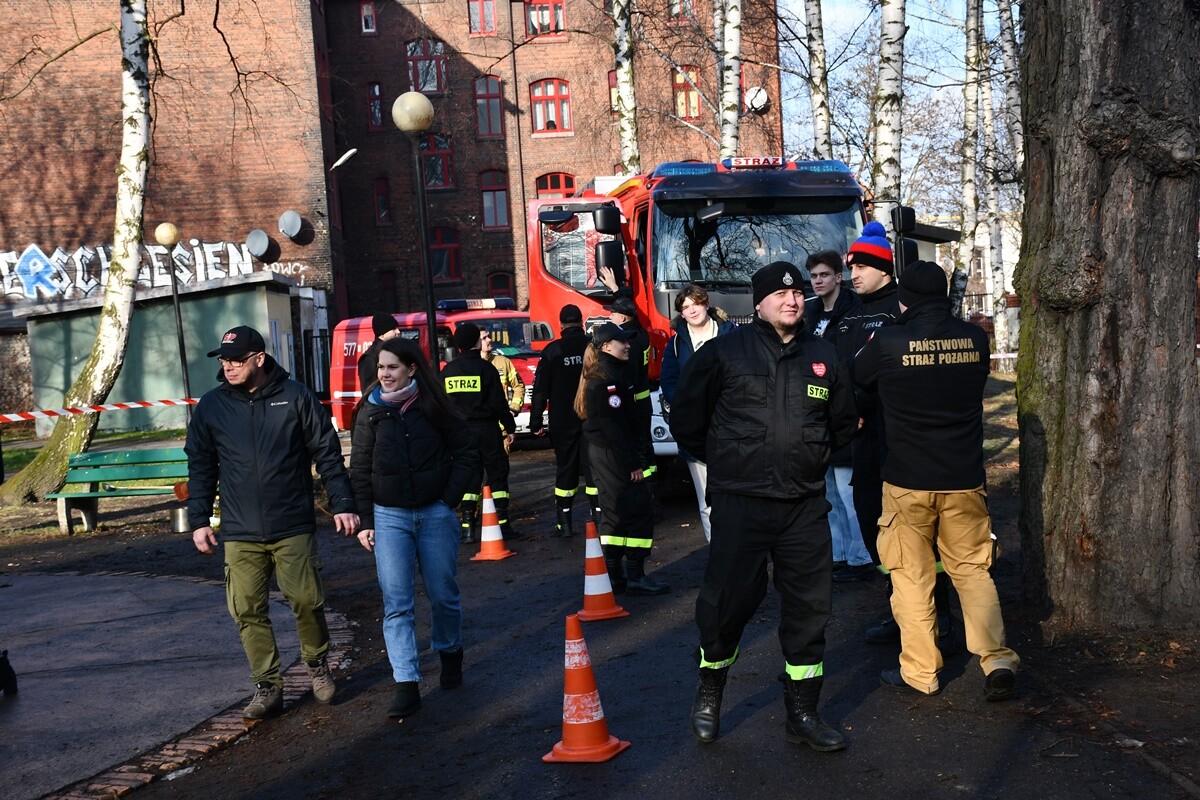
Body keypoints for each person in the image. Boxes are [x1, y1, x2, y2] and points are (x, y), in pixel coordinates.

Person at [670, 262, 858, 751]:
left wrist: (807, 459)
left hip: (802, 506)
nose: (792, 300)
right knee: (726, 602)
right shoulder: (723, 352)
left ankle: (803, 711)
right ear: (758, 302)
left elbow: (842, 425)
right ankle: (711, 689)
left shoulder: (825, 356)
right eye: (780, 294)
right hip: (740, 502)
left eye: (797, 294)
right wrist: (729, 464)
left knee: (810, 608)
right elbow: (688, 420)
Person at [854, 260, 1020, 700]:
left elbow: (858, 374)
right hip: (964, 476)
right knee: (972, 571)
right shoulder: (974, 338)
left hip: (908, 478)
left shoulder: (889, 339)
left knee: (911, 577)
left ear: (903, 299)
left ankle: (921, 672)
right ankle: (997, 659)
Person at [186, 325, 360, 720]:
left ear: (259, 359)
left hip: (292, 524)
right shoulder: (212, 406)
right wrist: (199, 520)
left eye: (236, 360)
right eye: (224, 360)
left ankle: (317, 663)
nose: (228, 366)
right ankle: (267, 686)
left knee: (306, 600)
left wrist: (344, 503)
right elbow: (200, 467)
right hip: (240, 530)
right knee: (246, 608)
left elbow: (328, 455)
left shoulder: (296, 397)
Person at [349, 338, 480, 718]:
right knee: (397, 603)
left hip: (435, 514)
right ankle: (406, 683)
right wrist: (366, 521)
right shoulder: (370, 411)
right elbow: (359, 469)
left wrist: (447, 499)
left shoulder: (433, 405)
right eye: (380, 368)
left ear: (411, 368)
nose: (384, 375)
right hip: (389, 517)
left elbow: (466, 452)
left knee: (443, 594)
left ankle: (450, 651)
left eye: (391, 367)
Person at [836, 223, 954, 639]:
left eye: (863, 266)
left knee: (913, 530)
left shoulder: (900, 312)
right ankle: (902, 606)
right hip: (862, 437)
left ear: (886, 269)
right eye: (852, 266)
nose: (854, 274)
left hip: (897, 435)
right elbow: (839, 372)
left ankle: (934, 612)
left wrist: (864, 405)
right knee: (872, 521)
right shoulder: (848, 314)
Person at [576, 322, 670, 595]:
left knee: (617, 512)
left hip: (608, 452)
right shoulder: (607, 379)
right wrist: (633, 464)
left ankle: (617, 574)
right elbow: (614, 427)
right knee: (637, 510)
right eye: (622, 341)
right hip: (614, 454)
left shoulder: (607, 373)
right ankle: (632, 575)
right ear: (606, 346)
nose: (628, 345)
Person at [805, 251, 873, 581]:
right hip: (817, 414)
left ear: (838, 277)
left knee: (849, 493)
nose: (818, 281)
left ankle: (861, 557)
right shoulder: (809, 312)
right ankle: (839, 553)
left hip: (844, 410)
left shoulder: (854, 311)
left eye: (823, 275)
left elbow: (853, 364)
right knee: (828, 493)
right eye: (814, 276)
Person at [658, 285, 736, 541]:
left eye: (695, 304)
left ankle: (738, 549)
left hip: (732, 428)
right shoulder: (677, 343)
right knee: (706, 498)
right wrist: (688, 406)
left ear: (706, 304)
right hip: (696, 430)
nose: (692, 310)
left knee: (736, 495)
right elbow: (669, 382)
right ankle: (717, 550)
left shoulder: (731, 335)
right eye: (685, 307)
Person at [441, 322, 516, 542]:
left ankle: (466, 528)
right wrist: (509, 427)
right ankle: (503, 525)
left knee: (469, 477)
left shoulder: (448, 371)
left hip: (461, 434)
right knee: (497, 474)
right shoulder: (486, 369)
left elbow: (442, 405)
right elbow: (498, 403)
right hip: (487, 431)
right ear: (476, 342)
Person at [528, 304, 594, 537]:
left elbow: (540, 390)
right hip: (591, 417)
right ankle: (598, 517)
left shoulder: (552, 351)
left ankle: (564, 523)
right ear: (581, 321)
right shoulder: (592, 346)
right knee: (593, 466)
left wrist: (536, 421)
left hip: (562, 420)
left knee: (565, 468)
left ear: (561, 324)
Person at [480, 328, 525, 456]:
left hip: (501, 431)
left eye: (488, 336)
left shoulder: (503, 362)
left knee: (500, 473)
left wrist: (513, 409)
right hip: (478, 430)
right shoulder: (472, 365)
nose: (490, 340)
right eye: (484, 338)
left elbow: (519, 386)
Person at [358, 314, 401, 396]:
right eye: (393, 329)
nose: (398, 332)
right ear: (382, 334)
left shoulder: (394, 351)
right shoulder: (369, 357)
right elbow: (368, 390)